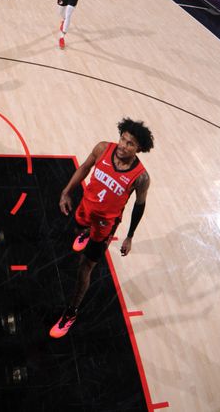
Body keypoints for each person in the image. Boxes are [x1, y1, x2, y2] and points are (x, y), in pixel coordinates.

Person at [51, 118, 153, 338]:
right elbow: (85, 168)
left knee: (84, 267)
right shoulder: (102, 148)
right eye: (122, 139)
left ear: (139, 149)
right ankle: (85, 233)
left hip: (106, 225)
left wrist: (130, 236)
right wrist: (66, 192)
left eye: (130, 144)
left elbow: (139, 205)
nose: (123, 146)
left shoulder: (141, 178)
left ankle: (71, 312)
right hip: (86, 208)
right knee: (78, 230)